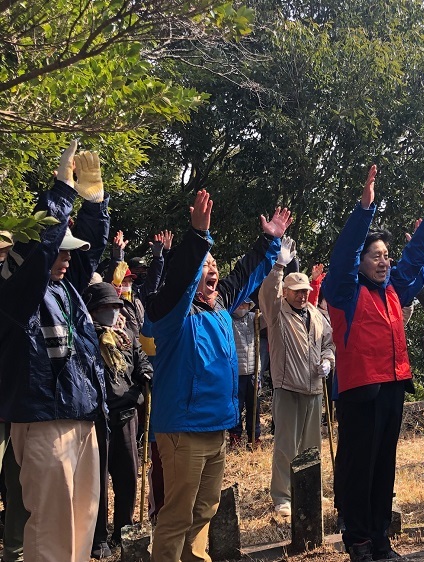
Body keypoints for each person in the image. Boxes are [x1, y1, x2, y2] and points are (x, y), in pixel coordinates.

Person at [146, 189, 291, 562]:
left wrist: (270, 240)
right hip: (182, 429)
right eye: (205, 265)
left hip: (216, 428)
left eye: (214, 264)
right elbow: (179, 281)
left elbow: (247, 272)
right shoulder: (171, 316)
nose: (213, 270)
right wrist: (197, 239)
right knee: (176, 516)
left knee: (205, 511)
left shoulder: (220, 305)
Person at [322, 165, 424, 562]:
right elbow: (343, 254)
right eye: (375, 256)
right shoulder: (344, 291)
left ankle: (380, 538)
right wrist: (365, 210)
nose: (384, 261)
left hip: (393, 385)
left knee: (383, 467)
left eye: (386, 256)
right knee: (358, 468)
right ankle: (358, 540)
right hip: (361, 390)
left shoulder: (392, 289)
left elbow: (414, 260)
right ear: (361, 262)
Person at [0, 141, 110, 562]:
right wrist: (61, 192)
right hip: (42, 419)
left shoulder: (65, 289)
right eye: (59, 250)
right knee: (50, 532)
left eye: (68, 251)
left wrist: (94, 202)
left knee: (82, 523)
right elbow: (35, 258)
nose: (66, 258)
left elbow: (89, 250)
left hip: (80, 412)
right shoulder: (14, 294)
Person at [259, 240, 335, 517]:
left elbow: (329, 342)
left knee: (311, 446)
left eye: (305, 291)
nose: (303, 296)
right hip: (287, 386)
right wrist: (279, 265)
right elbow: (267, 293)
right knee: (286, 446)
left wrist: (328, 361)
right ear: (287, 292)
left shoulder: (316, 314)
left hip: (314, 387)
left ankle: (310, 491)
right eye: (297, 292)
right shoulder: (278, 313)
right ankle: (282, 496)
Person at [83, 282, 152, 557]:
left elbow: (141, 358)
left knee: (127, 479)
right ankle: (98, 537)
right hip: (97, 421)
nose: (112, 312)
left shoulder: (126, 335)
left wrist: (145, 373)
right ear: (94, 311)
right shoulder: (86, 339)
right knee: (96, 481)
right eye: (105, 308)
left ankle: (124, 529)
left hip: (126, 416)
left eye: (115, 307)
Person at [229, 297, 263, 447]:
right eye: (240, 303)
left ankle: (254, 436)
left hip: (253, 371)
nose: (242, 306)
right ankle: (235, 435)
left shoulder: (254, 318)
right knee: (237, 406)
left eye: (245, 303)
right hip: (236, 373)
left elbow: (269, 317)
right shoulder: (228, 320)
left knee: (254, 405)